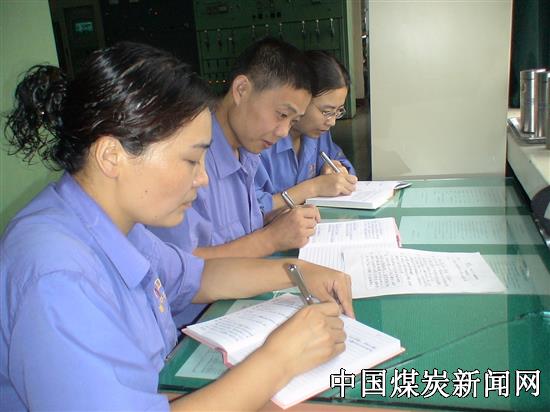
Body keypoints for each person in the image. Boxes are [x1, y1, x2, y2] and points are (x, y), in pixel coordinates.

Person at [0, 42, 353, 411]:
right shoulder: (57, 275)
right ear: (112, 155)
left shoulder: (113, 225)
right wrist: (279, 360)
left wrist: (298, 271)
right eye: (190, 160)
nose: (203, 178)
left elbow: (196, 277)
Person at [150, 38, 321, 259]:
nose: (283, 132)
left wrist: (274, 222)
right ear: (241, 90)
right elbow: (177, 268)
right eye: (282, 114)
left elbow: (235, 229)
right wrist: (269, 239)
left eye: (293, 121)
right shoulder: (189, 161)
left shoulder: (247, 153)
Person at [255, 51, 358, 214]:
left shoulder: (319, 134)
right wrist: (313, 187)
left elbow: (340, 160)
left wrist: (337, 169)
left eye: (338, 111)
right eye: (326, 111)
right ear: (301, 98)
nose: (332, 121)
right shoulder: (261, 141)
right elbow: (251, 211)